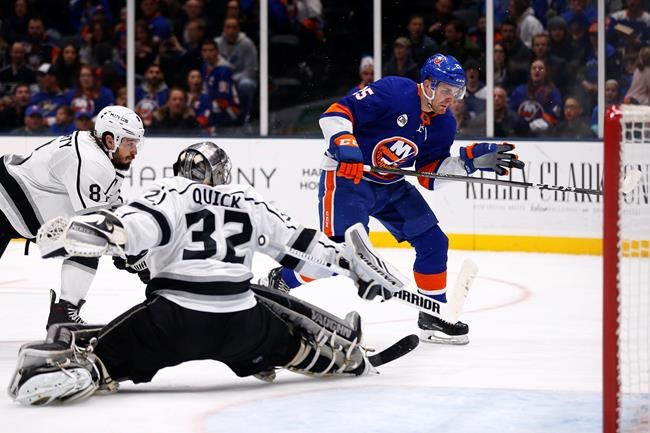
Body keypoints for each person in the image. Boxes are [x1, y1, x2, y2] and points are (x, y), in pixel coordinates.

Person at [8, 142, 405, 406]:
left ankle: (84, 371)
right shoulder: (247, 199)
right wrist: (355, 270)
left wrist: (86, 229)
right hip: (243, 322)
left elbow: (128, 232)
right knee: (289, 344)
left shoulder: (169, 192)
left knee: (102, 357)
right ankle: (342, 360)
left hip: (173, 320)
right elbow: (302, 251)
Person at [265, 54, 523, 344]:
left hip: (391, 186)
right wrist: (345, 143)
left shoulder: (444, 124)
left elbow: (429, 176)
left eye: (457, 93)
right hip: (349, 178)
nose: (451, 99)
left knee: (434, 241)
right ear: (428, 85)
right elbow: (335, 114)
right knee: (340, 254)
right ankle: (280, 280)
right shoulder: (394, 91)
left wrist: (469, 162)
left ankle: (433, 314)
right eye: (446, 91)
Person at [0, 105, 145, 328]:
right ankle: (63, 313)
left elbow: (113, 211)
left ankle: (64, 312)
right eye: (130, 143)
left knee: (87, 242)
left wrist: (135, 252)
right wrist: (135, 257)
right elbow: (99, 224)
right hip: (6, 202)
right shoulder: (91, 162)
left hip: (20, 208)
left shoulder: (105, 157)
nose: (135, 151)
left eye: (137, 143)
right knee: (90, 238)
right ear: (110, 140)